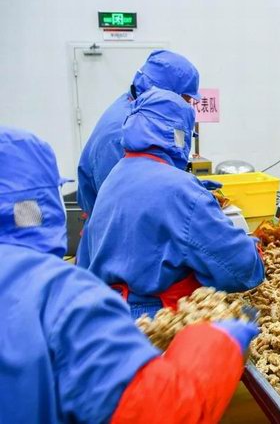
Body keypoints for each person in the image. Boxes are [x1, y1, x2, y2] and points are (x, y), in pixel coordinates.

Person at [0, 125, 259, 423]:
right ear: (36, 205)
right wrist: (217, 343)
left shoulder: (117, 173)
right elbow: (163, 413)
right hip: (158, 314)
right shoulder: (59, 298)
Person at [77, 88, 264, 318]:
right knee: (249, 318)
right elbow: (239, 267)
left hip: (108, 314)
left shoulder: (116, 175)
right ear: (179, 134)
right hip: (156, 320)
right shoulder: (179, 190)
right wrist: (254, 249)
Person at [77, 49, 201, 215]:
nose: (188, 105)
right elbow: (123, 209)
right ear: (164, 94)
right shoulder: (122, 134)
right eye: (185, 98)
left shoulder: (140, 111)